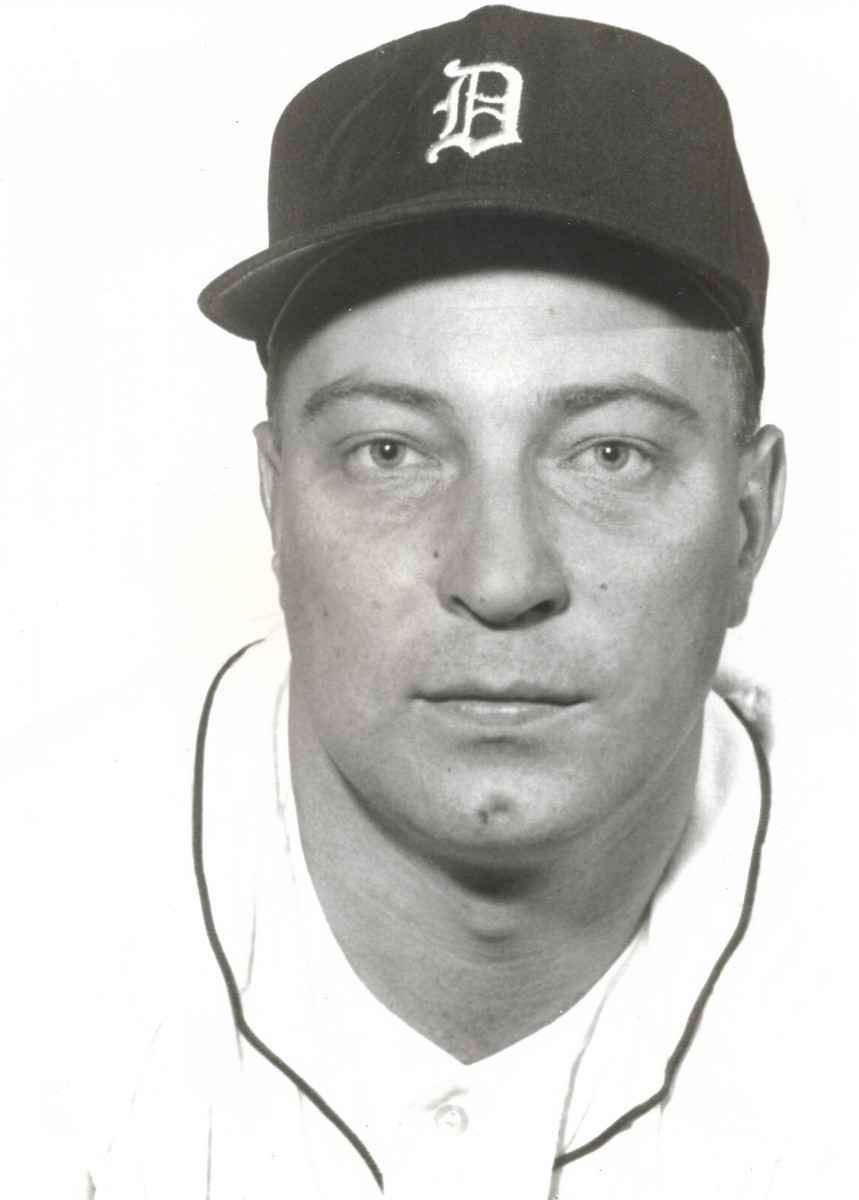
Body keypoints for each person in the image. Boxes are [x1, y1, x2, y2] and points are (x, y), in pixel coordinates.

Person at [3, 7, 793, 1197]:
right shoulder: (30, 908)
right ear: (275, 502)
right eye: (390, 452)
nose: (502, 577)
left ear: (749, 519)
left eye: (611, 454)